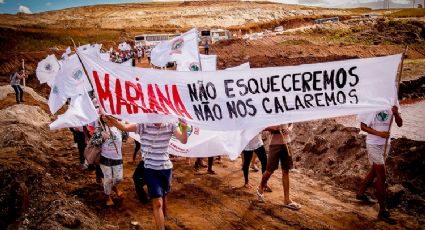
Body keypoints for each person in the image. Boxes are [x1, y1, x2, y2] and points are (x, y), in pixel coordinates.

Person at [103, 116, 188, 230]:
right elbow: (124, 127)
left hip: (166, 169)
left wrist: (184, 128)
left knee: (164, 195)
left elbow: (183, 140)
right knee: (157, 202)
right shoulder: (143, 125)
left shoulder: (170, 124)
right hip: (150, 169)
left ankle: (164, 216)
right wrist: (110, 118)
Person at [356, 106, 402, 223]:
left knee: (374, 171)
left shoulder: (392, 102)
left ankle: (360, 193)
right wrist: (379, 134)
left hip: (386, 143)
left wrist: (396, 114)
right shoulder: (371, 103)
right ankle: (382, 211)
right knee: (382, 176)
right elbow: (363, 126)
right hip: (373, 144)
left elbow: (400, 124)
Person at [256, 124, 301, 210]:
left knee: (286, 171)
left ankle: (287, 200)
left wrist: (289, 129)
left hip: (287, 143)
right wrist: (272, 128)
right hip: (274, 144)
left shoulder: (286, 111)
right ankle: (260, 187)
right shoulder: (270, 111)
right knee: (270, 170)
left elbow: (292, 122)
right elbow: (262, 126)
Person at [91, 119, 124, 206]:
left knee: (119, 178)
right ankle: (108, 196)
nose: (108, 118)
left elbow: (125, 137)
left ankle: (114, 187)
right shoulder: (100, 128)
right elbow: (93, 142)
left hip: (118, 157)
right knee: (108, 179)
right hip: (105, 158)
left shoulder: (119, 127)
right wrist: (101, 137)